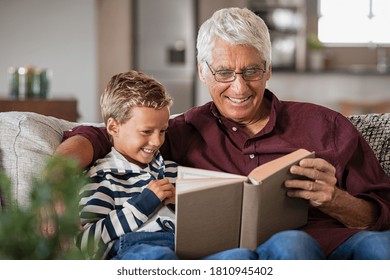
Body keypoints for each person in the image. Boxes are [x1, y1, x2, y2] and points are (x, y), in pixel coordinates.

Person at [57, 8, 390, 260]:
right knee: (293, 243)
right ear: (203, 71)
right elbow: (111, 135)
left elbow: (381, 211)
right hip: (245, 255)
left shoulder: (325, 125)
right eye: (224, 72)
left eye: (252, 71)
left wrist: (334, 200)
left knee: (380, 246)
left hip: (337, 240)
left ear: (268, 69)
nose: (239, 87)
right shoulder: (181, 132)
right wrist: (53, 177)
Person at [76, 70, 254, 260]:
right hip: (137, 249)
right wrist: (143, 204)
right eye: (146, 131)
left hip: (183, 248)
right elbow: (85, 246)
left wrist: (184, 205)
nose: (157, 141)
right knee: (159, 256)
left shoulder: (174, 170)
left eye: (162, 131)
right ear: (113, 127)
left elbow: (204, 225)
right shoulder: (101, 178)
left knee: (241, 257)